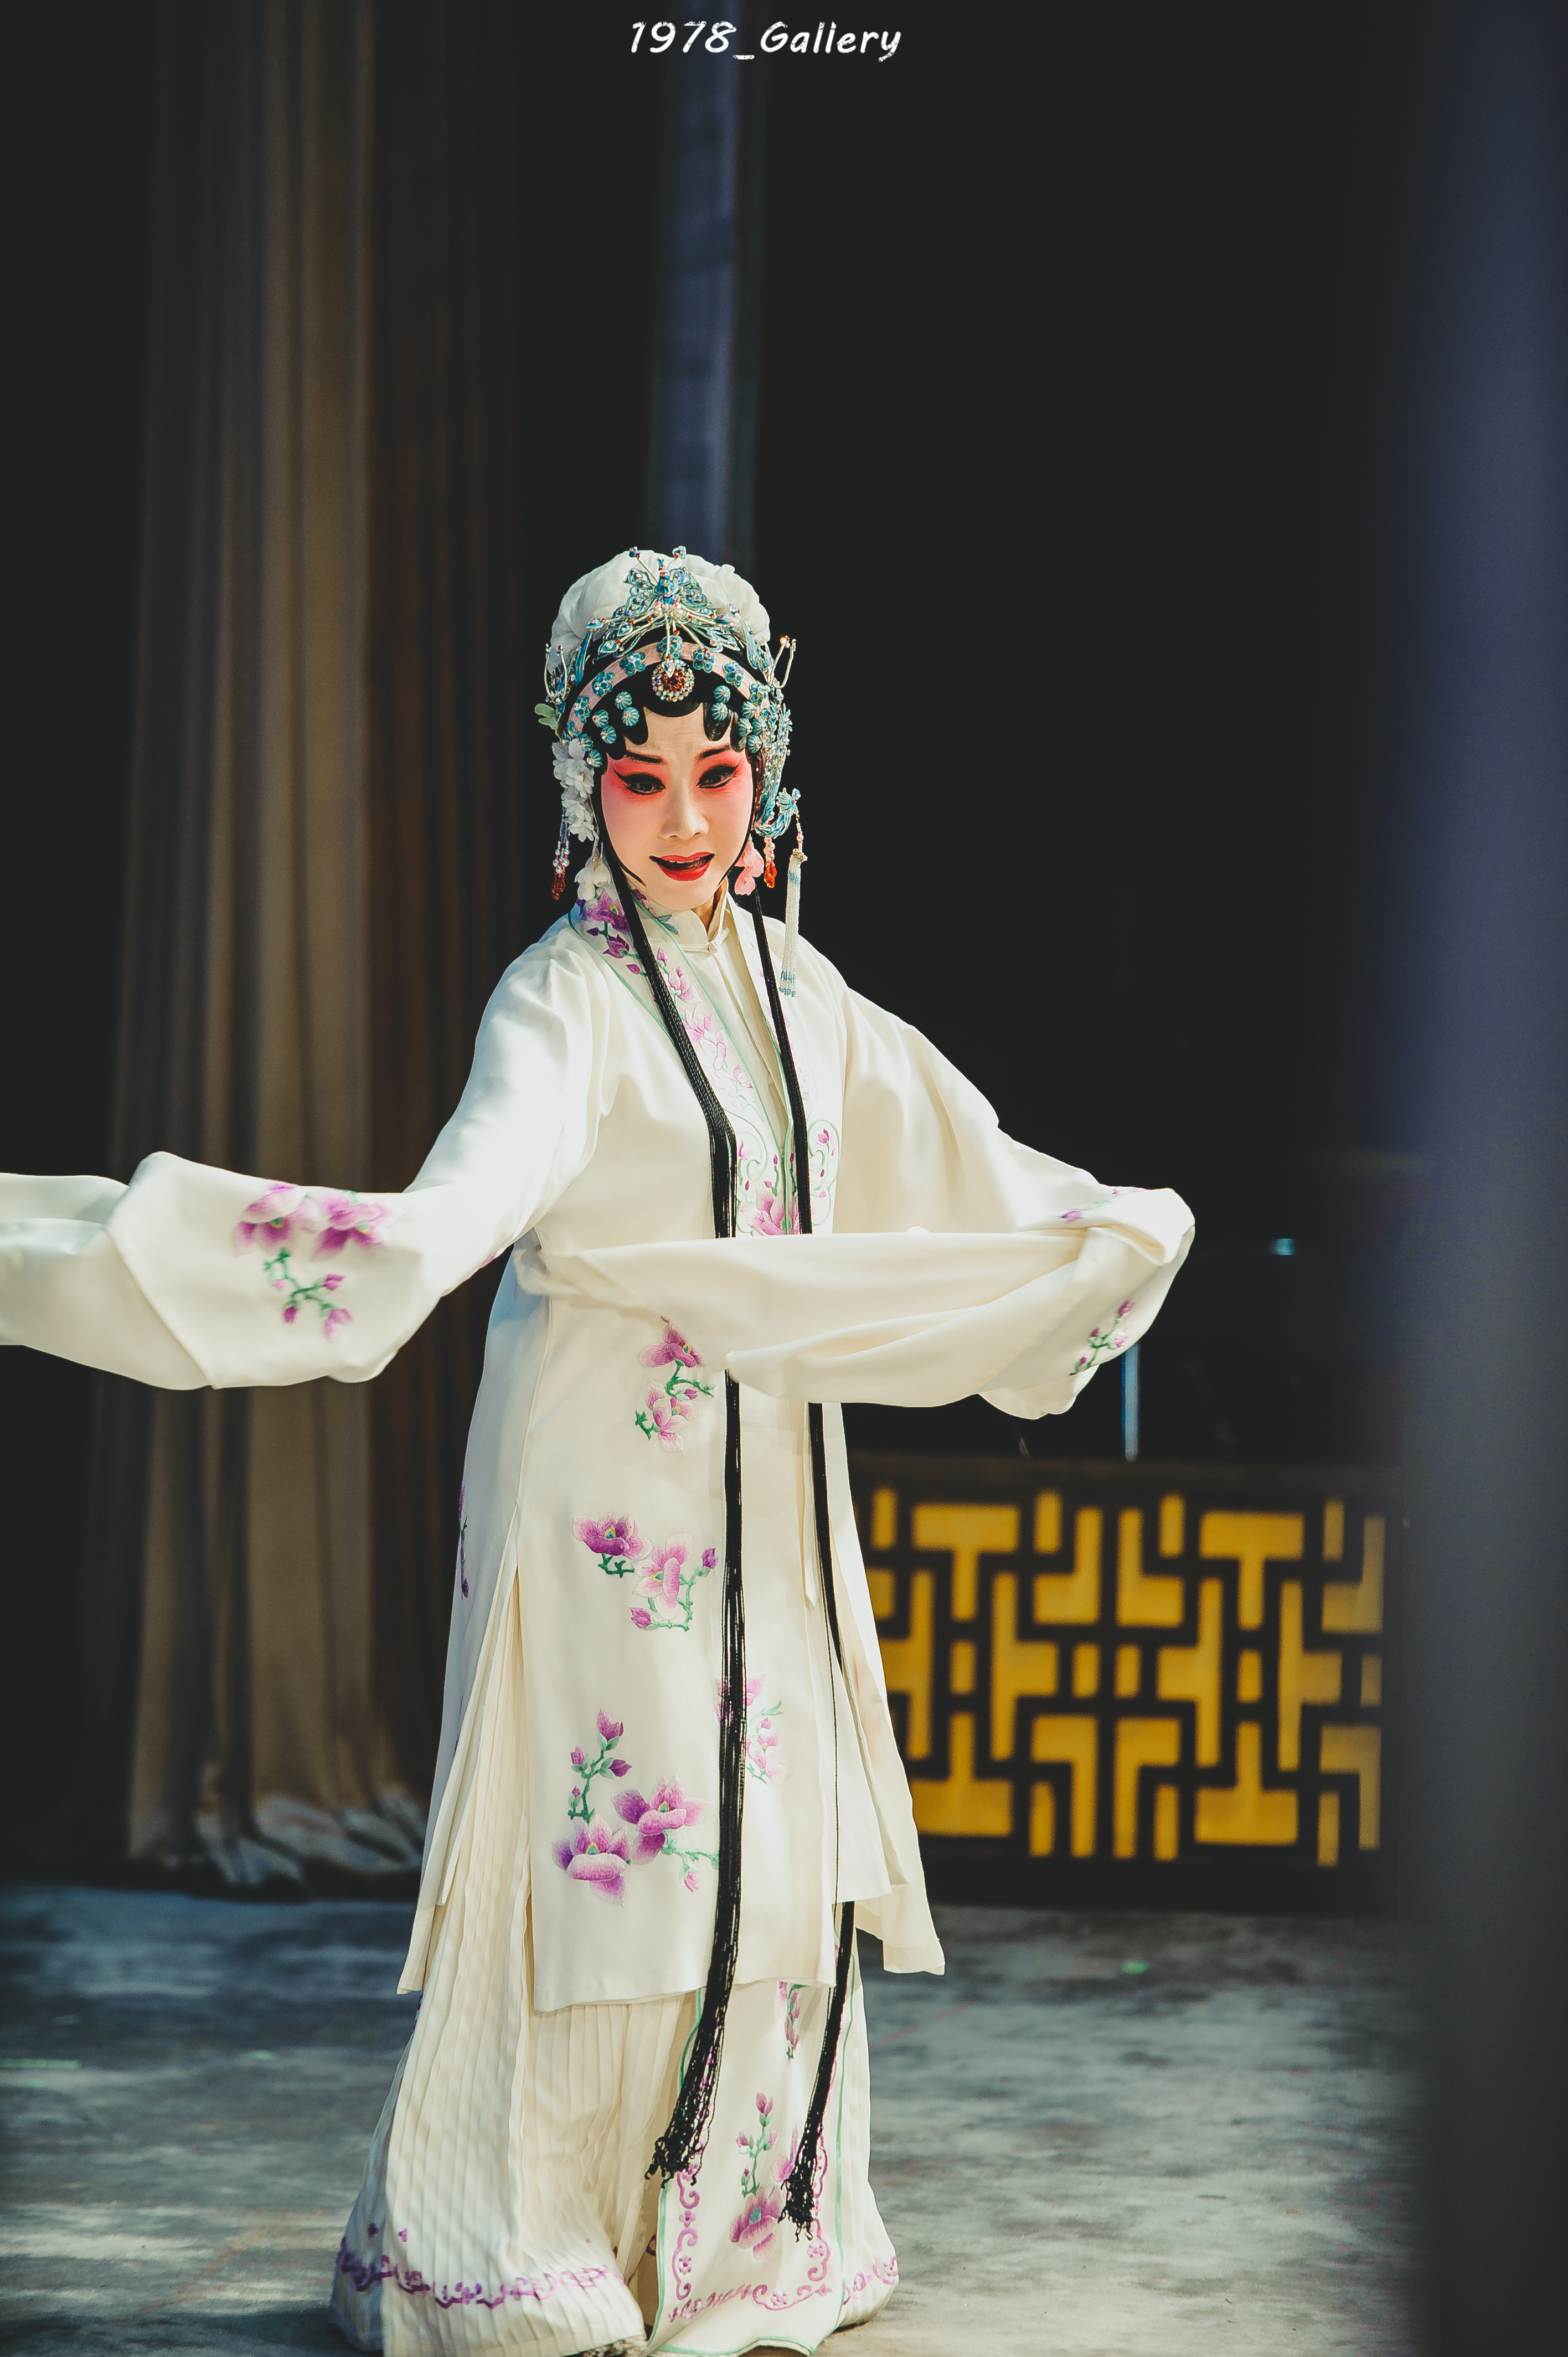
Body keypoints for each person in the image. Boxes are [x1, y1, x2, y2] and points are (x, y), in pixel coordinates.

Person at [0, 547, 1193, 2355]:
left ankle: (746, 2238)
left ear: (768, 772)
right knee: (613, 1848)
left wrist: (1114, 1230)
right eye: (642, 779)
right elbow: (447, 1219)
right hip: (601, 1501)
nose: (688, 821)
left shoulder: (801, 992)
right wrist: (182, 1257)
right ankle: (521, 2242)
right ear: (584, 786)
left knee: (770, 1829)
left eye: (719, 774)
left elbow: (974, 1164)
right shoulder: (557, 1004)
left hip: (771, 1489)